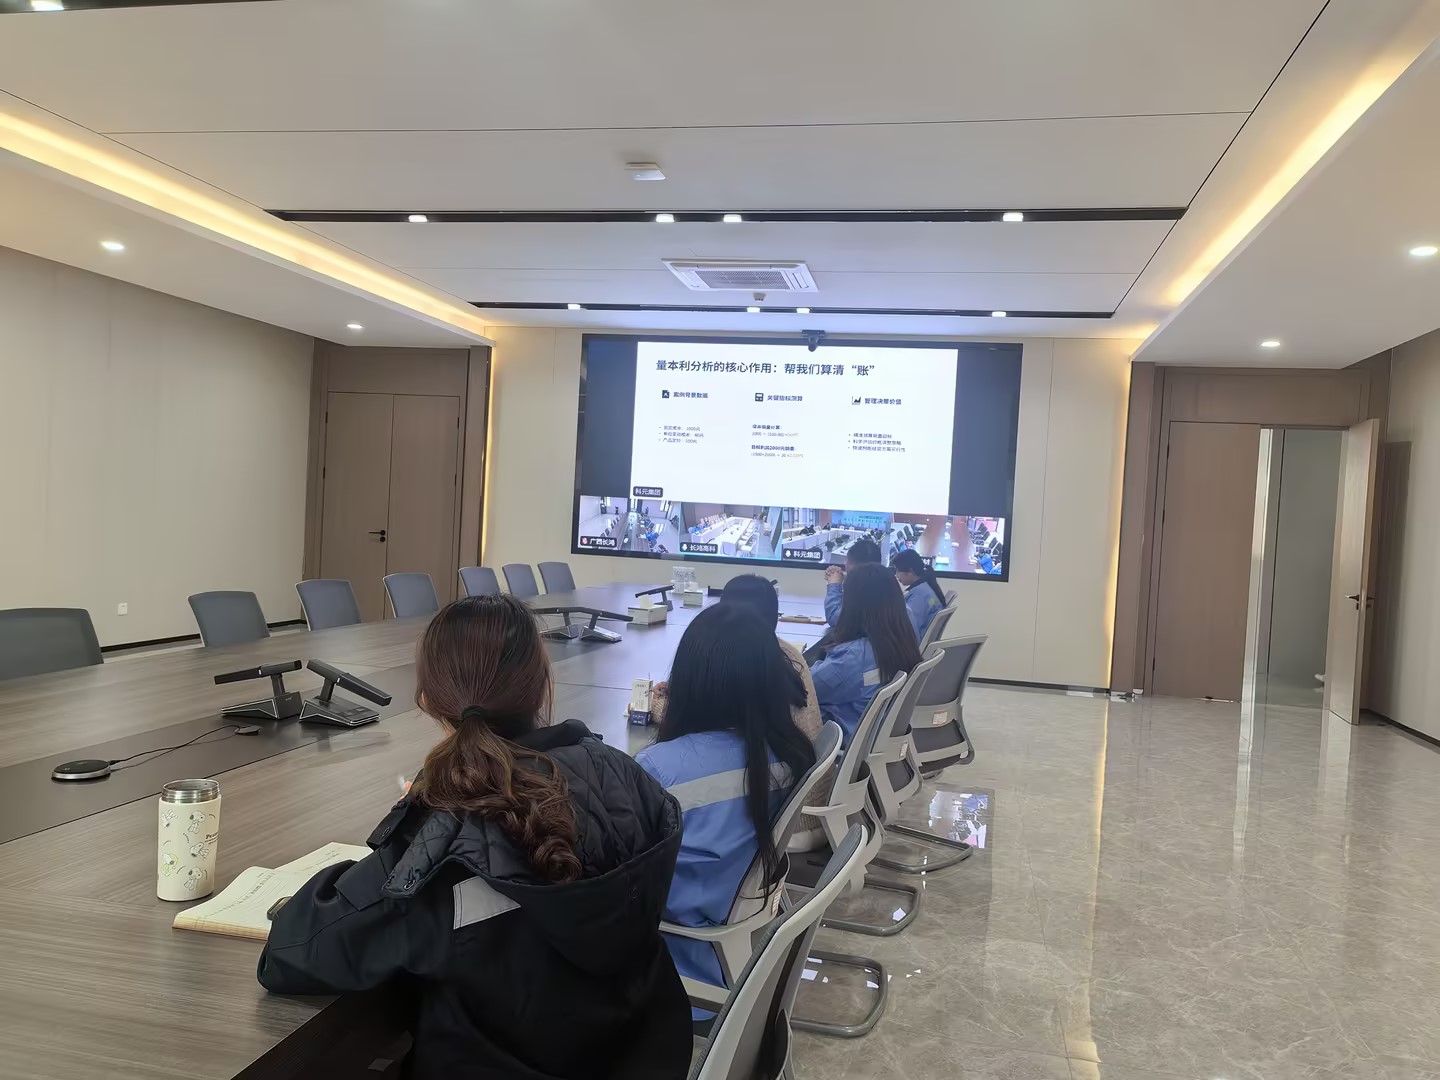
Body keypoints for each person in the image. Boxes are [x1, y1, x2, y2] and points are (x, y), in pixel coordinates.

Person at [257, 595, 691, 1080]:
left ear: (428, 698)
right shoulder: (625, 775)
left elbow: (292, 955)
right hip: (643, 1058)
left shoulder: (448, 834)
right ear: (541, 686)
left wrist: (359, 869)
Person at [637, 604, 817, 1008]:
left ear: (688, 678)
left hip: (677, 965)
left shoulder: (658, 769)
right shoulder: (791, 753)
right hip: (745, 942)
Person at [811, 562, 923, 744]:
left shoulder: (853, 656)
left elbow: (805, 689)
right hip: (873, 734)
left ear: (853, 606)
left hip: (841, 738)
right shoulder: (901, 638)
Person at [822, 536, 882, 625]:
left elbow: (834, 619)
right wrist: (847, 579)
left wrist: (834, 585)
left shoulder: (864, 590)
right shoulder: (882, 583)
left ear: (850, 563)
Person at [892, 548, 947, 640]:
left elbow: (908, 628)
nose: (896, 575)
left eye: (897, 571)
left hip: (914, 644)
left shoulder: (920, 597)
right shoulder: (925, 589)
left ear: (910, 572)